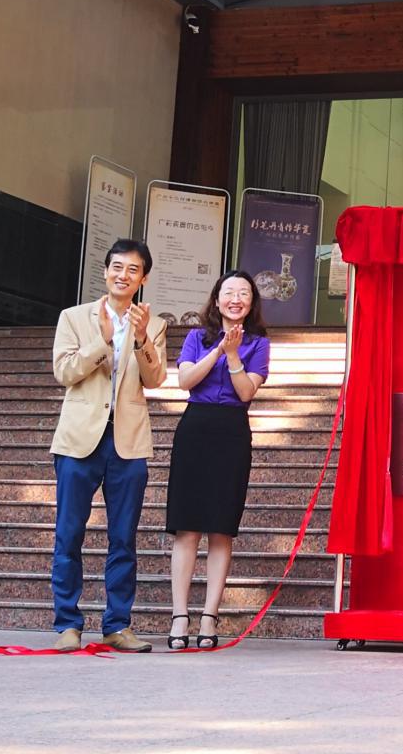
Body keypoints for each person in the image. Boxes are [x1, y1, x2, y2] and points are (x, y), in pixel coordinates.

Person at [49, 239, 167, 652]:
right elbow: (64, 372)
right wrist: (101, 342)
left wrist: (140, 338)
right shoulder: (73, 317)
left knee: (124, 538)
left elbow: (156, 380)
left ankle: (117, 625)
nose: (123, 275)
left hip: (128, 441)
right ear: (105, 271)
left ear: (143, 278)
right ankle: (67, 624)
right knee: (69, 534)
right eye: (117, 267)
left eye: (133, 269)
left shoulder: (153, 325)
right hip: (79, 439)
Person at [165, 271, 270, 649]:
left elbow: (245, 393)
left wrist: (234, 354)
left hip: (232, 433)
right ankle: (180, 615)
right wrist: (219, 349)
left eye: (244, 293)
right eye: (229, 292)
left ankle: (209, 616)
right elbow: (185, 381)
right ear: (216, 299)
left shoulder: (259, 344)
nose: (235, 299)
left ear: (252, 302)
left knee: (221, 528)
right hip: (195, 429)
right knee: (187, 528)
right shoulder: (196, 337)